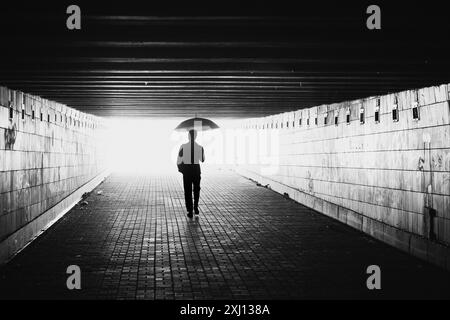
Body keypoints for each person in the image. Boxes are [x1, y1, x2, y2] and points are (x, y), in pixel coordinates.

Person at [177, 129, 205, 218]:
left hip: (187, 170)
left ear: (188, 136)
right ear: (196, 136)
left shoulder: (183, 146)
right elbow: (203, 160)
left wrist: (181, 170)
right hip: (196, 169)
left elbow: (179, 160)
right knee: (196, 190)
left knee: (187, 191)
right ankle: (196, 207)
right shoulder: (200, 147)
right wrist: (201, 151)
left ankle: (190, 211)